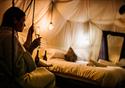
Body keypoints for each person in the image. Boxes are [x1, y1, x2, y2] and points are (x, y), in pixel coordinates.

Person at [0, 7, 55, 88]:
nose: (25, 24)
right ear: (15, 20)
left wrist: (30, 34)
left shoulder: (5, 33)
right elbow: (18, 70)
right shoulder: (9, 37)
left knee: (43, 70)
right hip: (15, 80)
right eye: (23, 21)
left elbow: (21, 51)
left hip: (10, 77)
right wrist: (32, 47)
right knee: (51, 76)